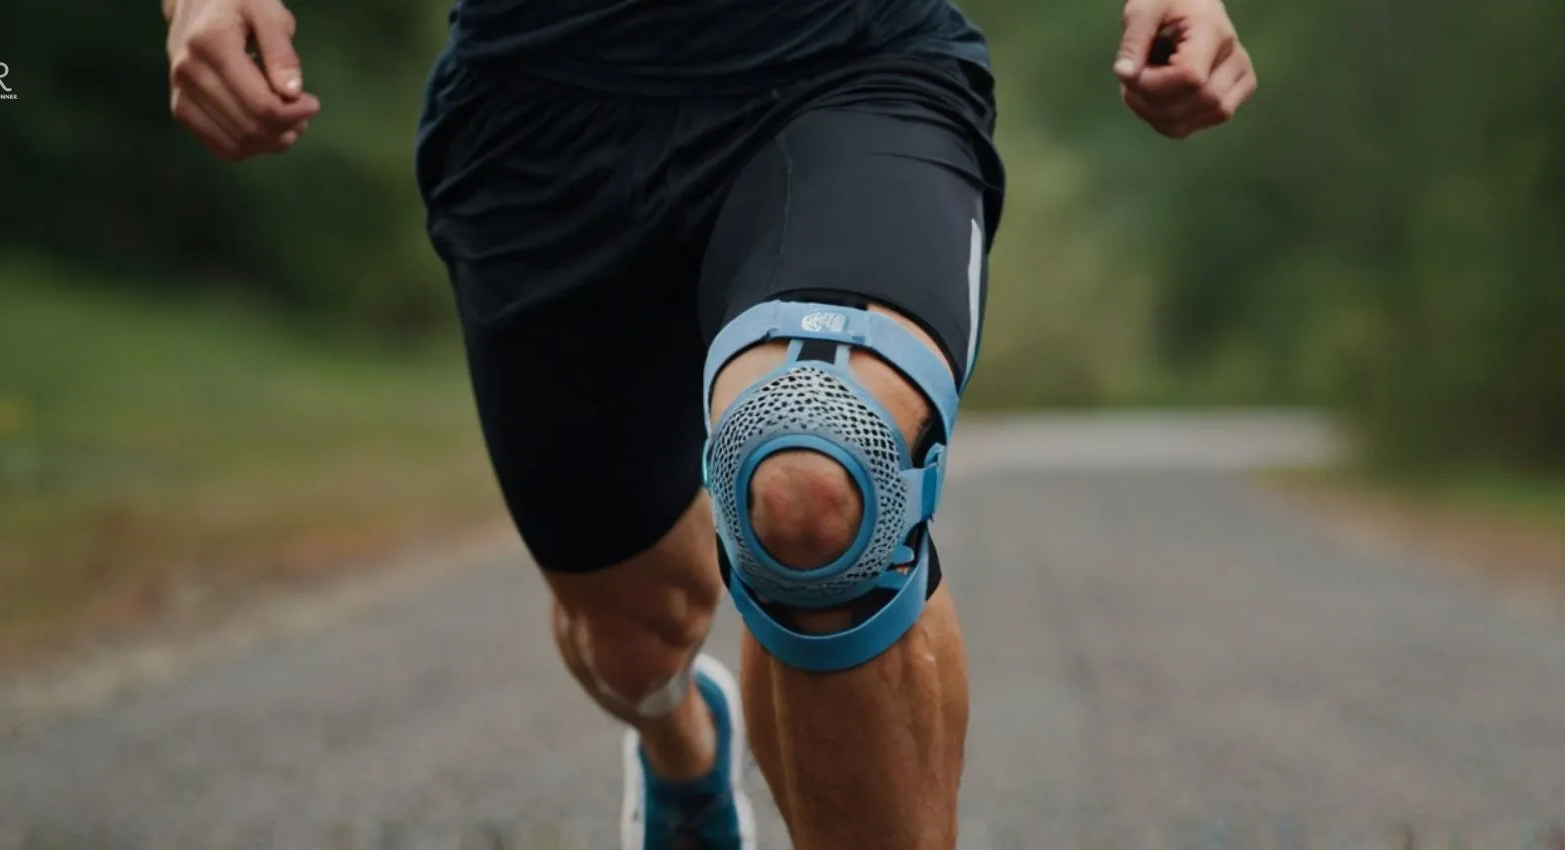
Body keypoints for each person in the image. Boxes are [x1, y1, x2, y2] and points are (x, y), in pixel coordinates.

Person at [162, 0, 1254, 845]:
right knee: (633, 633)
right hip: (537, 117)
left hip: (841, 63)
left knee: (818, 471)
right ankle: (684, 746)